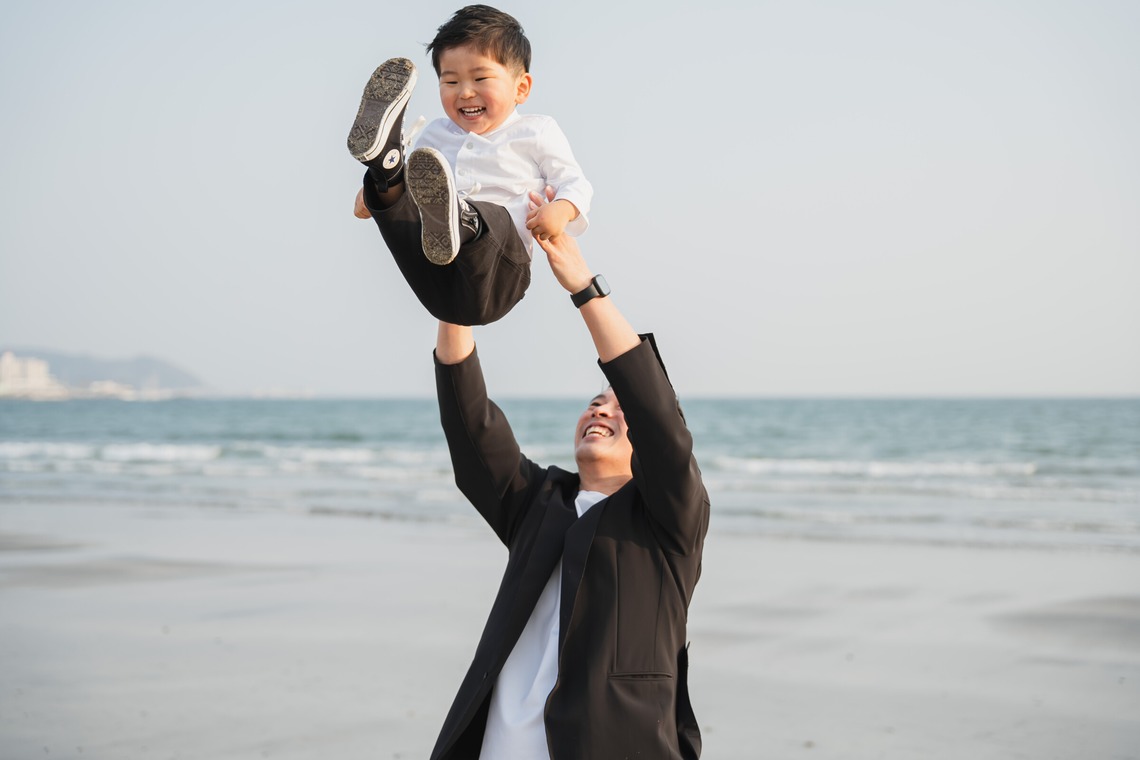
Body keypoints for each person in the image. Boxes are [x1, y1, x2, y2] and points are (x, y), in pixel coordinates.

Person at [428, 226, 709, 759]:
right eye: (594, 401)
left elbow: (658, 418)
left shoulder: (670, 521)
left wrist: (583, 285)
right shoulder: (539, 503)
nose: (601, 409)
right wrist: (453, 297)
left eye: (617, 404)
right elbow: (472, 425)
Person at [349, 5, 593, 326]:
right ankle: (385, 167)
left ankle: (460, 217)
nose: (465, 92)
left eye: (480, 77)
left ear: (521, 87)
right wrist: (379, 196)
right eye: (450, 82)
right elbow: (415, 185)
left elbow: (575, 183)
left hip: (498, 274)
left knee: (495, 216)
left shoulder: (535, 131)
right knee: (403, 203)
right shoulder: (436, 133)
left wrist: (561, 209)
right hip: (434, 280)